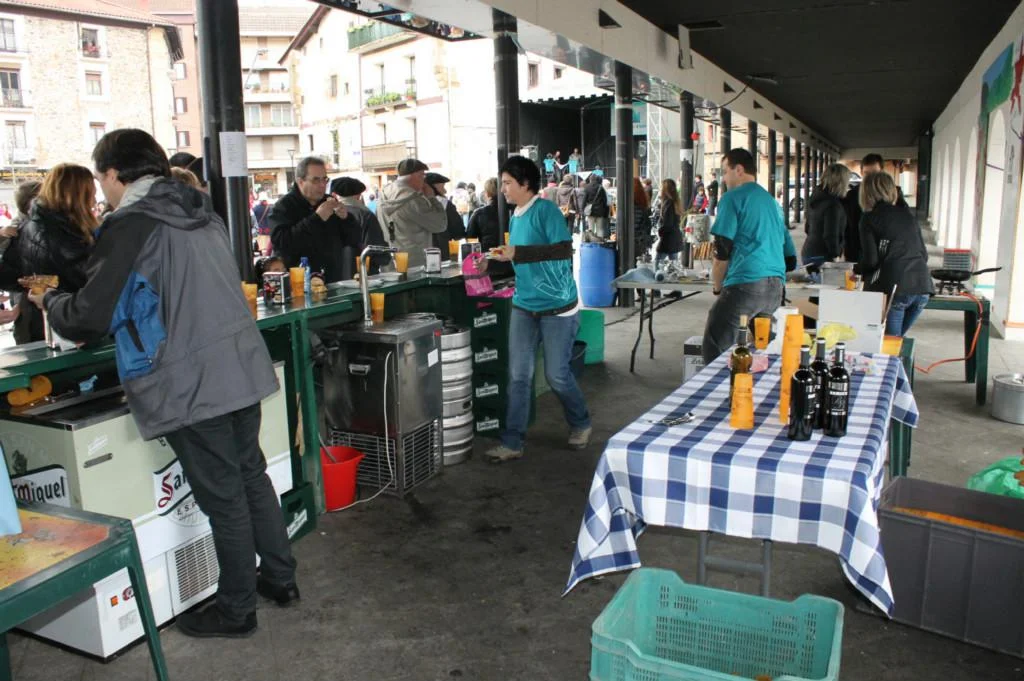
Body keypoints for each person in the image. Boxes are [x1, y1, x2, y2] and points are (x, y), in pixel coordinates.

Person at [29, 128, 297, 638]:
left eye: (101, 180)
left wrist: (51, 302)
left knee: (224, 498)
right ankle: (281, 578)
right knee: (250, 476)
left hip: (190, 379)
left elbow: (90, 315)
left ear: (114, 173)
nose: (102, 193)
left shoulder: (132, 223)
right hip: (238, 365)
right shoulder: (201, 211)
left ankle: (236, 610)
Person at [477, 155, 590, 462]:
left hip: (558, 307)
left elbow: (563, 250)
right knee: (518, 376)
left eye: (507, 183)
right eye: (502, 183)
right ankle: (512, 442)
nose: (503, 189)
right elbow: (520, 259)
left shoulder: (546, 211)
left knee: (557, 375)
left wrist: (518, 252)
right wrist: (493, 262)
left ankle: (581, 422)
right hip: (524, 305)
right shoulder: (516, 216)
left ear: (525, 183)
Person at [702, 149, 797, 364]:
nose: (723, 179)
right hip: (775, 288)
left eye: (725, 172)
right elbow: (790, 258)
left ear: (739, 170)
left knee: (715, 345)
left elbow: (722, 250)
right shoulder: (772, 202)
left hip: (745, 283)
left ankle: (721, 385)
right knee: (764, 349)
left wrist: (718, 288)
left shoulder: (732, 198)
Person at [17, 164, 99, 344]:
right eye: (90, 195)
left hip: (43, 322)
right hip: (69, 325)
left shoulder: (31, 225)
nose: (94, 201)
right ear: (75, 195)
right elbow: (93, 281)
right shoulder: (66, 234)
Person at [855, 172, 934, 337]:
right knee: (896, 343)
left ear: (866, 193)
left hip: (896, 289)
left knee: (889, 345)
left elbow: (871, 261)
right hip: (923, 287)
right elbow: (924, 255)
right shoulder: (907, 215)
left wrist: (857, 270)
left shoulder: (869, 218)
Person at [269, 156, 361, 283]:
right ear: (300, 181)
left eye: (324, 179)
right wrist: (317, 218)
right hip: (299, 284)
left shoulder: (330, 202)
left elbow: (354, 240)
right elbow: (282, 243)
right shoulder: (283, 207)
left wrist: (346, 219)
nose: (322, 185)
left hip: (332, 282)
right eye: (316, 180)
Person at [376, 158, 448, 269]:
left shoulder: (384, 194)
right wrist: (431, 198)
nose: (424, 180)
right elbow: (440, 224)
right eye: (422, 175)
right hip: (416, 263)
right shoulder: (413, 200)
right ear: (416, 175)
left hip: (392, 260)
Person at [842, 153, 906, 264]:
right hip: (858, 251)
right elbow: (847, 227)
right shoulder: (852, 196)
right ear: (861, 173)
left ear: (882, 171)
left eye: (875, 173)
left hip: (887, 253)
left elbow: (904, 222)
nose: (871, 179)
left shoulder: (894, 192)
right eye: (867, 174)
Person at [330, 176, 389, 273]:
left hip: (333, 274)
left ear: (334, 195)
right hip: (363, 272)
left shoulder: (326, 214)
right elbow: (376, 248)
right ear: (358, 195)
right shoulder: (365, 215)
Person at [802, 164, 850, 276]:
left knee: (817, 285)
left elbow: (807, 228)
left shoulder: (815, 197)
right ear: (841, 182)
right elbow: (830, 235)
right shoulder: (833, 205)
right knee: (827, 286)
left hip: (809, 252)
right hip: (822, 256)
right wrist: (835, 255)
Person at [426, 172, 467, 249]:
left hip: (418, 251)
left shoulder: (414, 204)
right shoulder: (445, 204)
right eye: (442, 187)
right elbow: (457, 230)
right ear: (432, 188)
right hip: (441, 249)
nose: (445, 191)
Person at [656, 179, 683, 263]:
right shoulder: (675, 202)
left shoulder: (668, 203)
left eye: (661, 187)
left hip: (668, 238)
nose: (660, 189)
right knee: (674, 263)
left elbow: (668, 223)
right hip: (674, 236)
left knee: (658, 262)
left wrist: (660, 231)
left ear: (665, 189)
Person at [582, 173, 609, 242]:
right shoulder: (601, 187)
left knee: (591, 229)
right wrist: (606, 213)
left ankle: (592, 242)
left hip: (590, 211)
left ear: (590, 179)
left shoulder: (587, 187)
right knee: (600, 229)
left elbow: (584, 200)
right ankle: (600, 242)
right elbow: (605, 201)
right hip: (600, 211)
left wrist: (582, 210)